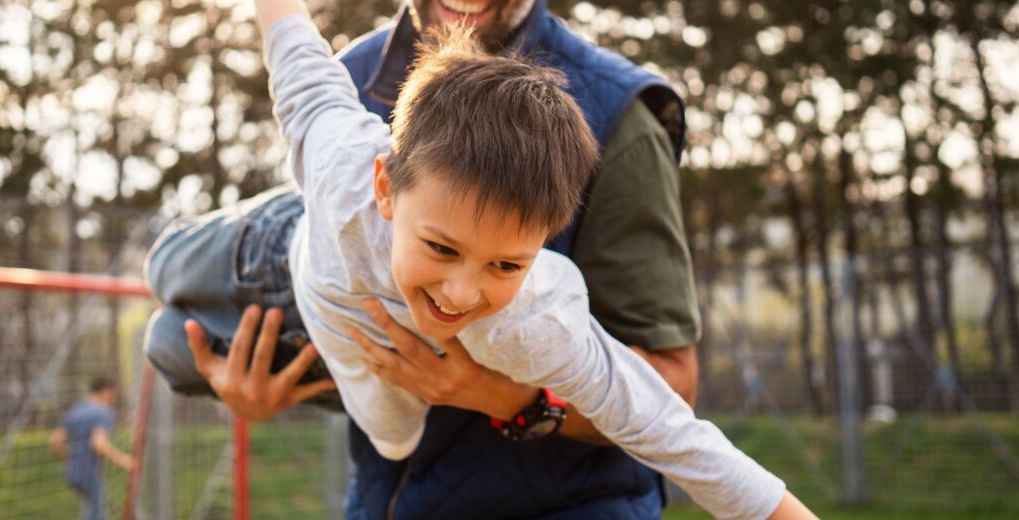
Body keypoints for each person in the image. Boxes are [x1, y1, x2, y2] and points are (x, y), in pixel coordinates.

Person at [143, 0, 815, 517]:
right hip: (293, 258)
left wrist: (507, 396)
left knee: (168, 340)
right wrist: (264, 394)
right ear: (385, 184)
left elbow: (670, 424)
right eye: (443, 247)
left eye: (506, 264)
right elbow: (290, 47)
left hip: (406, 386)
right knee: (162, 283)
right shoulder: (346, 154)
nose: (463, 293)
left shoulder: (538, 321)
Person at [49, 376, 135, 520]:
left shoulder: (77, 410)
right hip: (89, 472)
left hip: (72, 472)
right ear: (105, 391)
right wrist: (124, 460)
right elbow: (99, 444)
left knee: (88, 508)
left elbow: (55, 441)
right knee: (97, 513)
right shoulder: (103, 411)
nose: (112, 398)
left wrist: (69, 457)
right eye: (112, 394)